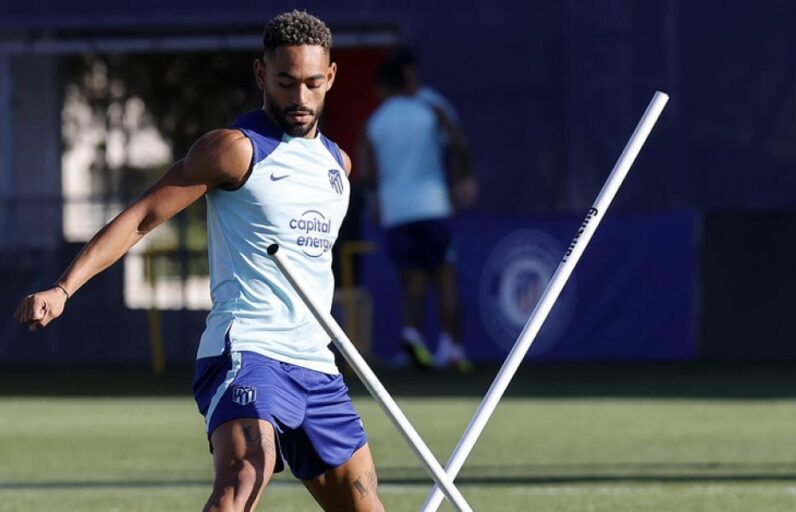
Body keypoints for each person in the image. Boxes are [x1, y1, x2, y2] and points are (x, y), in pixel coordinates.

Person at [13, 11, 384, 512]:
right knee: (243, 478)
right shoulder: (233, 150)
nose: (300, 97)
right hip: (248, 349)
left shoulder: (338, 165)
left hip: (317, 363)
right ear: (261, 75)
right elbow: (142, 217)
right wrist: (63, 289)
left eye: (313, 83)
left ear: (331, 78)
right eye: (286, 82)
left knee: (364, 504)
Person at [362, 58, 476, 372]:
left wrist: (376, 199)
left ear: (383, 88)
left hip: (397, 213)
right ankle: (452, 349)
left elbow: (366, 170)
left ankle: (411, 340)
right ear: (406, 81)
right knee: (444, 277)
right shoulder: (431, 110)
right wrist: (465, 177)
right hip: (433, 207)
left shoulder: (375, 121)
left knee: (412, 282)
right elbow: (458, 141)